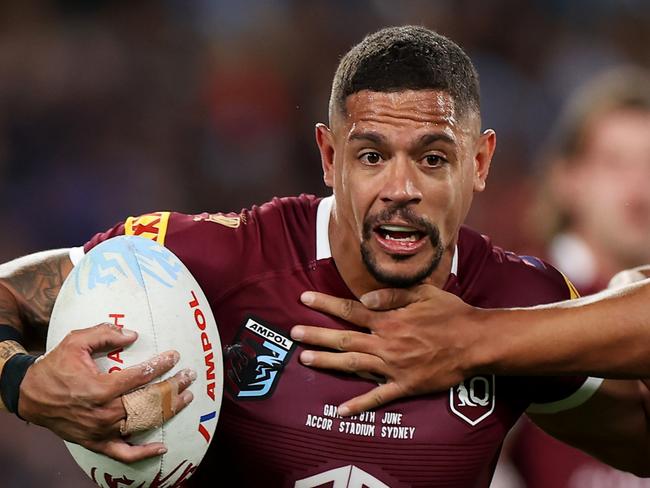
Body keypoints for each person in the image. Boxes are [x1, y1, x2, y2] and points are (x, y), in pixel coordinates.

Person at [1, 25, 649, 487]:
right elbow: (10, 293)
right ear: (329, 156)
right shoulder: (213, 257)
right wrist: (24, 382)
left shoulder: (517, 301)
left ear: (479, 163)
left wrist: (477, 340)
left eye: (432, 158)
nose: (401, 189)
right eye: (371, 156)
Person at [508, 67, 650, 488]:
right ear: (568, 178)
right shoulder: (520, 295)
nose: (639, 187)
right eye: (616, 163)